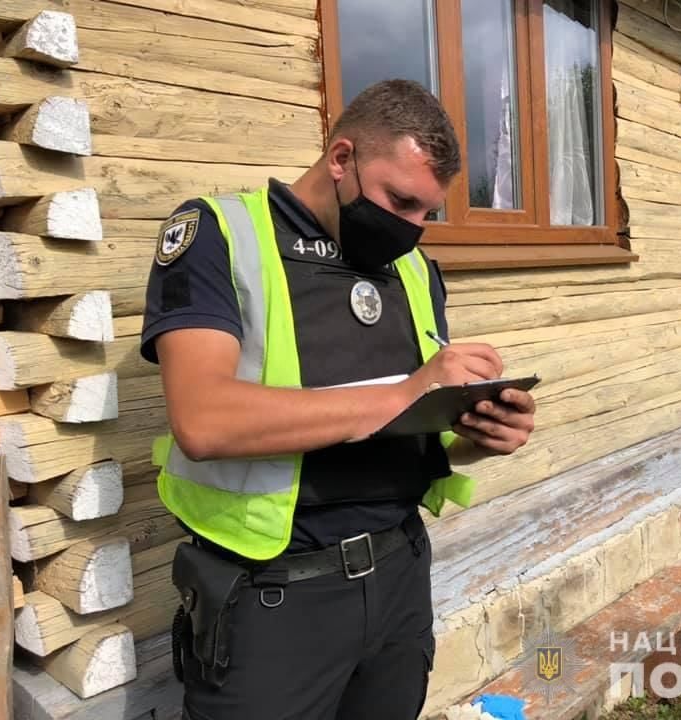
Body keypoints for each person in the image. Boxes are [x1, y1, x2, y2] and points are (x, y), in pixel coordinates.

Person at [140, 79, 537, 720]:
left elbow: (411, 423)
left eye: (427, 213)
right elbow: (203, 421)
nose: (411, 229)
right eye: (400, 201)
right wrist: (408, 390)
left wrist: (476, 434)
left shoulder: (413, 269)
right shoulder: (220, 234)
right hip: (274, 595)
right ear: (342, 157)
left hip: (400, 574)